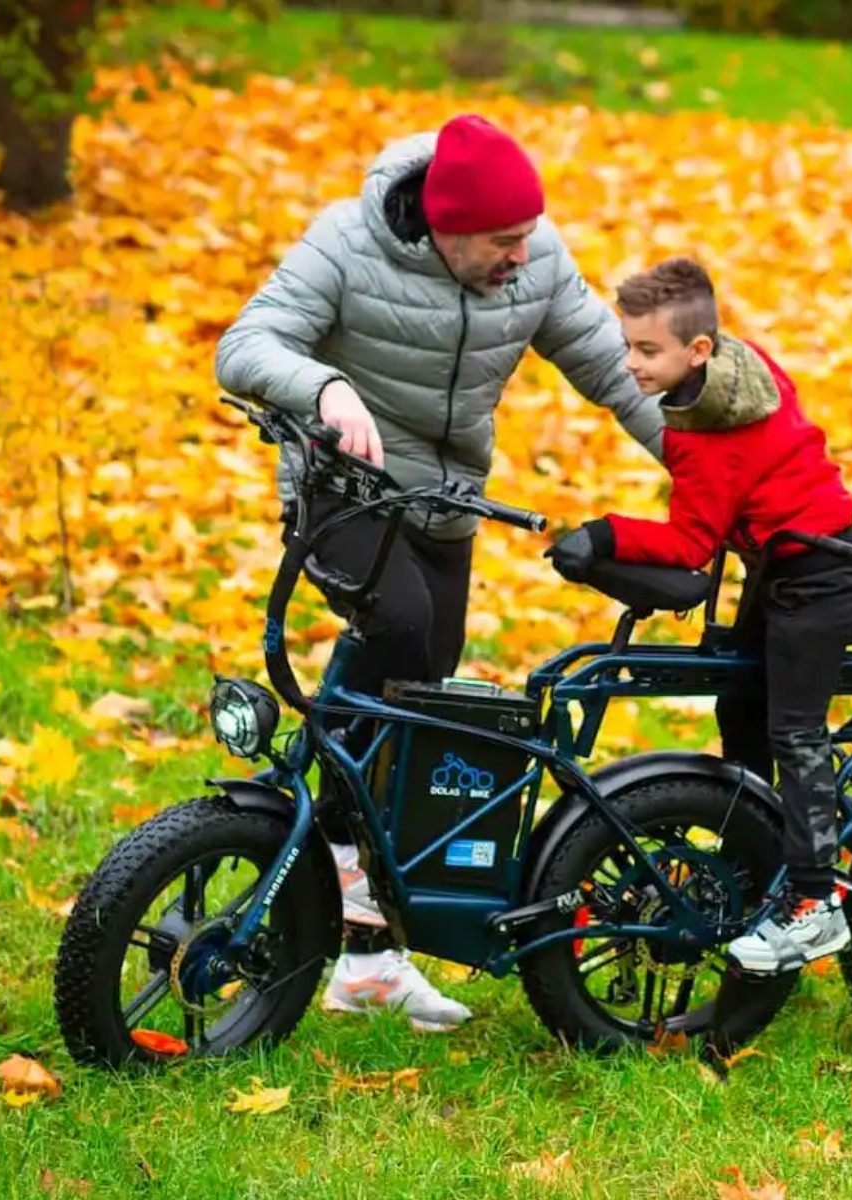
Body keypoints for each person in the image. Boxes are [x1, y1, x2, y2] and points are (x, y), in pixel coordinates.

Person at [214, 112, 667, 1031]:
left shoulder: (533, 262)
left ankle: (368, 952)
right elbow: (244, 346)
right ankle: (334, 841)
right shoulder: (348, 243)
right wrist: (325, 388)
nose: (519, 257)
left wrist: (715, 477)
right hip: (342, 491)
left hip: (448, 502)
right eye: (502, 242)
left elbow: (616, 375)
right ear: (446, 225)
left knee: (421, 701)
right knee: (402, 631)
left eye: (527, 237)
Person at [544, 257, 852, 975]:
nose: (629, 363)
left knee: (794, 727)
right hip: (786, 565)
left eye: (646, 350)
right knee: (740, 703)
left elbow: (691, 544)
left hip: (819, 576)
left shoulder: (710, 439)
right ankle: (756, 859)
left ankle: (816, 904)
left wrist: (604, 535)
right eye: (627, 344)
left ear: (697, 351)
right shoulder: (740, 373)